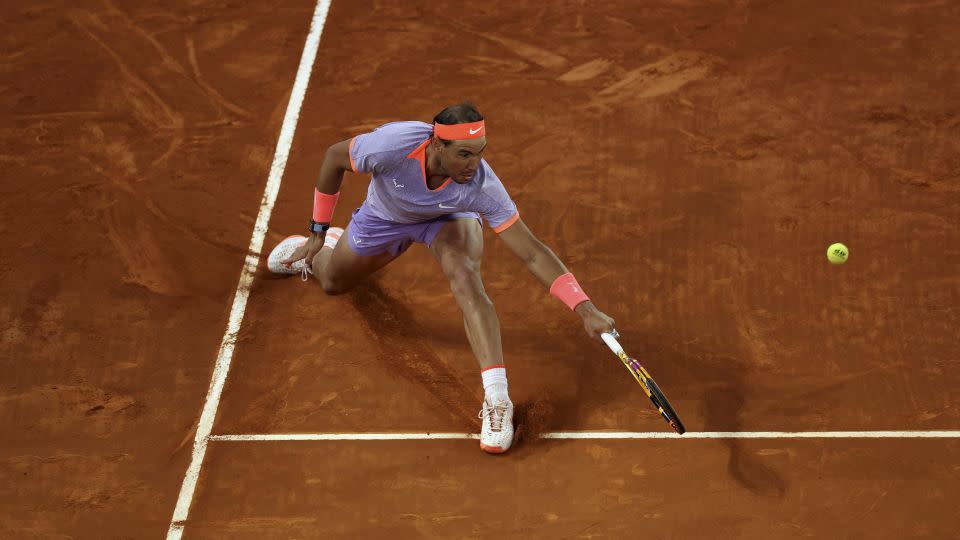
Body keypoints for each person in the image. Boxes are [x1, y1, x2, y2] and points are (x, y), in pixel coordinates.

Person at [267, 102, 616, 454]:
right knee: (333, 282)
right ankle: (323, 247)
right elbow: (333, 158)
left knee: (466, 278)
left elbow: (532, 251)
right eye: (464, 154)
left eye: (480, 154)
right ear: (436, 145)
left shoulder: (480, 185)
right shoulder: (391, 146)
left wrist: (584, 308)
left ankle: (497, 400)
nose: (473, 165)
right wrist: (317, 230)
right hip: (385, 216)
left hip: (448, 219)